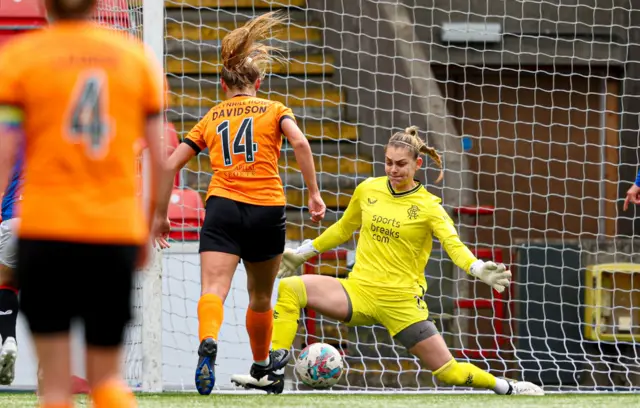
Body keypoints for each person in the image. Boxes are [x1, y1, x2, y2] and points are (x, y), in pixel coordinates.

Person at [231, 126, 545, 396]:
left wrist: (477, 269)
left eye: (401, 164)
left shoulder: (429, 207)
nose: (393, 170)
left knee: (447, 372)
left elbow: (454, 246)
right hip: (359, 292)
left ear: (417, 164)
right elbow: (343, 228)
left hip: (401, 304)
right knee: (292, 288)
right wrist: (303, 253)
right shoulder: (368, 189)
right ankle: (270, 375)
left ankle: (506, 387)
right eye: (388, 163)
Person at [0, 0, 168, 406]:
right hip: (112, 231)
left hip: (45, 229)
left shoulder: (19, 59)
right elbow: (159, 158)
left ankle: (5, 339)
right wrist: (151, 224)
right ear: (97, 3)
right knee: (107, 379)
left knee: (55, 386)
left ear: (43, 4)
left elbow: (5, 156)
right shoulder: (135, 57)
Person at [153, 11, 326, 396]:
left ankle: (208, 341)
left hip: (223, 208)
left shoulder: (211, 117)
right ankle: (262, 366)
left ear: (222, 83)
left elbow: (169, 164)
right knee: (261, 296)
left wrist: (161, 215)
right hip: (267, 210)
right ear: (258, 82)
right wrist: (313, 193)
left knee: (213, 288)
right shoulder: (274, 109)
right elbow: (299, 142)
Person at [0, 156, 22, 386]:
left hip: (13, 218)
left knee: (6, 282)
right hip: (48, 222)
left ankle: (8, 339)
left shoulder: (8, 141)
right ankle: (45, 370)